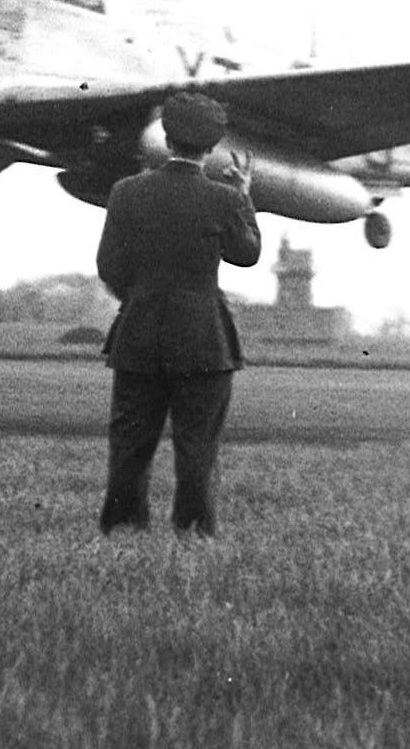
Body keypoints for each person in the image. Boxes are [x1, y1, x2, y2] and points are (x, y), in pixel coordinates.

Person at [95, 91, 261, 537]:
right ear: (212, 147)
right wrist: (243, 196)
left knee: (130, 443)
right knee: (197, 447)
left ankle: (124, 529)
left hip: (139, 335)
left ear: (166, 137)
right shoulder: (223, 200)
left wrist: (140, 299)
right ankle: (192, 533)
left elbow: (108, 267)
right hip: (205, 341)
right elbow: (248, 254)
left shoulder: (125, 192)